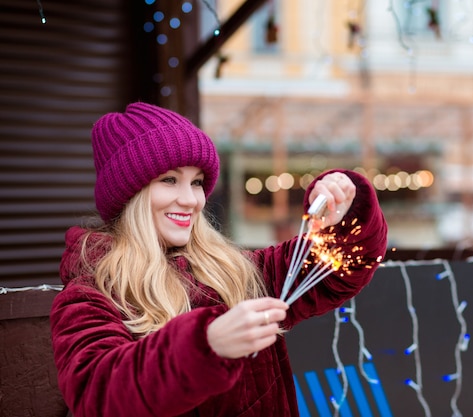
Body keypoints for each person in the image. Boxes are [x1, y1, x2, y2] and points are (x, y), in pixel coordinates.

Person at [50, 102, 388, 417]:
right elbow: (99, 393)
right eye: (169, 180)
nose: (190, 200)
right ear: (130, 195)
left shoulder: (238, 269)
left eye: (196, 182)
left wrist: (344, 213)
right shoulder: (89, 296)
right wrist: (204, 345)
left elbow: (344, 269)